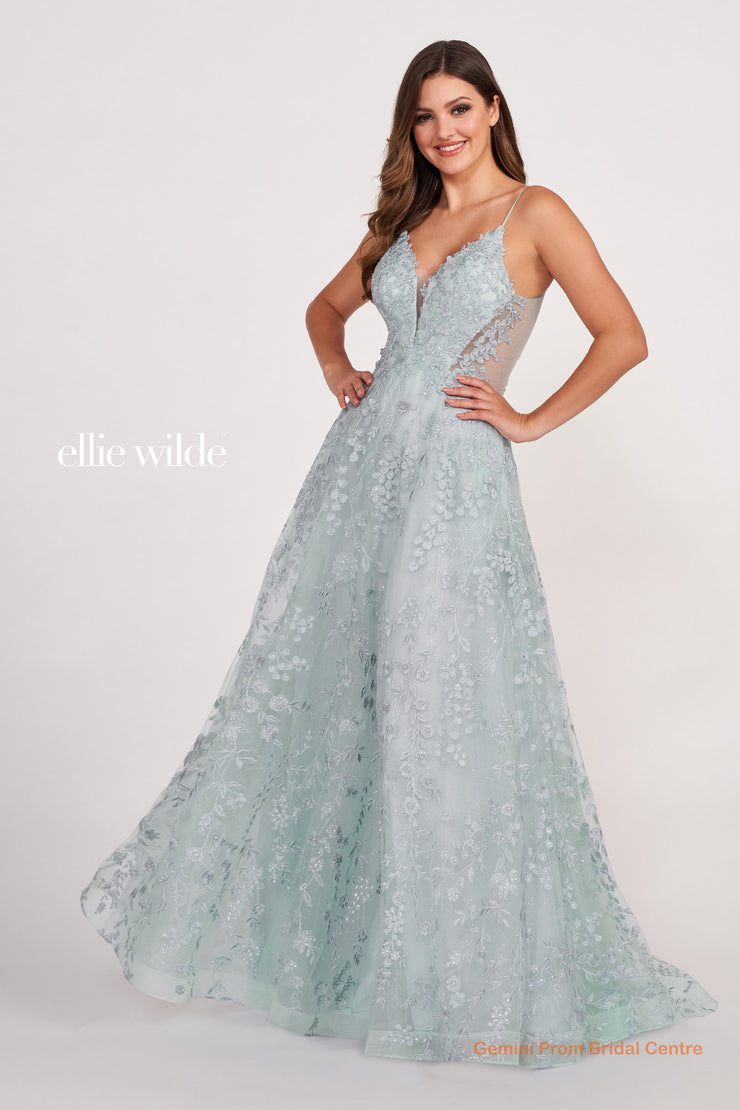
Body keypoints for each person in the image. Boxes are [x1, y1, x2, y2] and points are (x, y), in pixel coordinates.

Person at [80, 39, 718, 1068]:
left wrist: (525, 420)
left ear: (494, 109)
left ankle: (457, 974)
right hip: (356, 482)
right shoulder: (401, 221)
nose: (443, 131)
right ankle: (341, 958)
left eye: (459, 108)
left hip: (455, 490)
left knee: (440, 704)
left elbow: (623, 336)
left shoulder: (535, 213)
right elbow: (323, 308)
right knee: (339, 694)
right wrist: (338, 364)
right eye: (425, 116)